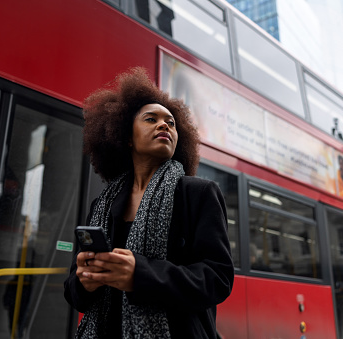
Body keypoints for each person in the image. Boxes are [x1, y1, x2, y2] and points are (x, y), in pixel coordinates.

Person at [63, 67, 234, 338]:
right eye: (151, 119)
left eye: (171, 122)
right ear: (127, 137)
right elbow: (75, 295)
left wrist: (140, 274)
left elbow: (217, 279)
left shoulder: (200, 194)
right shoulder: (102, 205)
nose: (164, 125)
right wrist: (85, 281)